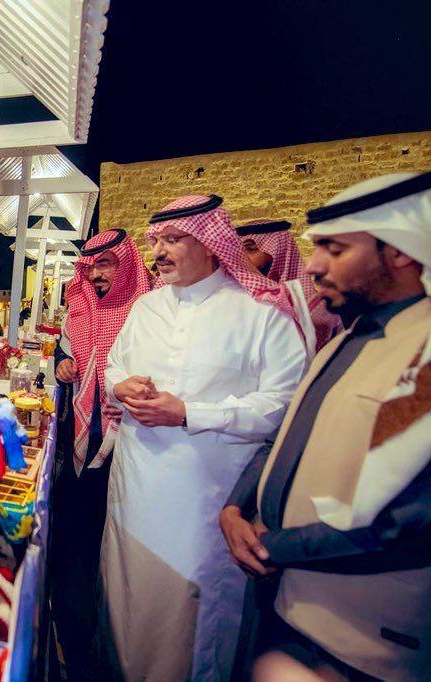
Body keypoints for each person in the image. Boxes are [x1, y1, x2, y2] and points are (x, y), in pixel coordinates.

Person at [221, 169, 431, 681]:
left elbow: (414, 519)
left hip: (366, 639)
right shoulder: (351, 337)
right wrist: (236, 507)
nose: (313, 265)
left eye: (335, 249)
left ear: (401, 251)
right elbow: (286, 436)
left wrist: (270, 545)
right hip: (289, 602)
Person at [99, 195, 308, 681]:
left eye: (174, 240)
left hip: (206, 497)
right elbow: (114, 366)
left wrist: (190, 413)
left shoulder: (260, 311)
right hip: (135, 489)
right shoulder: (147, 307)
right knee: (130, 594)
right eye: (157, 241)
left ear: (212, 244)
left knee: (192, 610)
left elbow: (284, 404)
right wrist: (118, 386)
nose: (159, 252)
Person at [50, 228, 151, 678]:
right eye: (90, 267)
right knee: (83, 529)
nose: (95, 275)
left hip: (129, 439)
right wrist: (61, 364)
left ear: (125, 263)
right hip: (83, 430)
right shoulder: (83, 306)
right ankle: (78, 623)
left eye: (105, 264)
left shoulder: (147, 309)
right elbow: (65, 349)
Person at [236, 218, 343, 351]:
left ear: (278, 251)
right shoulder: (242, 299)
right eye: (240, 251)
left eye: (250, 249)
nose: (242, 258)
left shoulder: (316, 309)